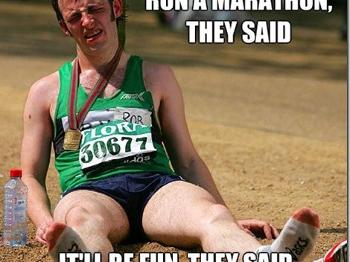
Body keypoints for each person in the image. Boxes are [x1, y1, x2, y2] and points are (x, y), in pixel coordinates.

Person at [21, 0, 320, 261]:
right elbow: (30, 175)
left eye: (95, 9)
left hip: (157, 189)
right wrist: (45, 221)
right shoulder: (46, 91)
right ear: (64, 26)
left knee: (210, 215)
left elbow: (187, 160)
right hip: (90, 193)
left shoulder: (156, 76)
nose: (87, 21)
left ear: (116, 8)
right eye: (74, 17)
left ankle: (261, 257)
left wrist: (227, 217)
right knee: (81, 221)